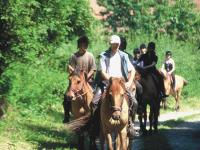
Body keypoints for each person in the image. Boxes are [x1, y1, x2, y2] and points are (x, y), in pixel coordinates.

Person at [91, 35, 138, 138]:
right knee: (94, 102)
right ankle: (95, 126)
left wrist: (129, 82)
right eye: (113, 44)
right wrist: (111, 80)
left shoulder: (124, 56)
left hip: (121, 83)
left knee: (134, 102)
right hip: (107, 83)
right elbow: (102, 71)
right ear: (110, 44)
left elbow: (132, 70)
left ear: (119, 44)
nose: (115, 46)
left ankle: (130, 125)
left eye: (117, 44)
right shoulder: (104, 55)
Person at [63, 35, 96, 123]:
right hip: (75, 81)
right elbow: (71, 70)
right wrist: (75, 74)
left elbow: (93, 69)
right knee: (66, 96)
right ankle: (66, 115)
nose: (84, 47)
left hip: (88, 80)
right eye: (82, 45)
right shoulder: (73, 56)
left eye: (85, 45)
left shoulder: (90, 56)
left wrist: (86, 77)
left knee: (97, 96)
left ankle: (96, 116)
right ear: (79, 45)